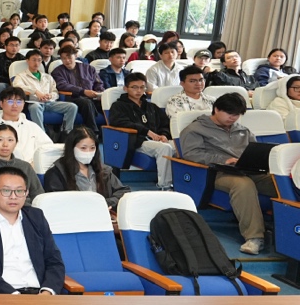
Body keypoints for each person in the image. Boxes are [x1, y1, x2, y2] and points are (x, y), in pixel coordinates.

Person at [179, 94, 275, 254]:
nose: (233, 118)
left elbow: (255, 150)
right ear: (216, 109)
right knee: (243, 184)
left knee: (278, 182)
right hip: (215, 172)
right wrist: (223, 160)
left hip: (246, 169)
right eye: (229, 113)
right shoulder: (195, 129)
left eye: (237, 114)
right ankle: (254, 237)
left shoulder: (243, 130)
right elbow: (192, 154)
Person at [0, 166, 66, 294]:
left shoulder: (36, 217)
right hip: (3, 294)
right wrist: (13, 295)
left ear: (26, 193)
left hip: (40, 294)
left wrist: (47, 291)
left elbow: (54, 261)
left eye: (19, 191)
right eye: (6, 191)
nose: (13, 197)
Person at [106, 72, 174, 189]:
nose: (139, 91)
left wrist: (164, 135)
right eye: (134, 87)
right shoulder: (118, 106)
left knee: (180, 146)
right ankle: (165, 186)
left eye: (142, 87)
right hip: (137, 141)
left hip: (156, 140)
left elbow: (165, 124)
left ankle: (183, 184)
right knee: (165, 148)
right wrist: (146, 131)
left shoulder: (151, 106)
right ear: (125, 88)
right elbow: (120, 123)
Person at [43, 127, 130, 210]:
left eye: (92, 148)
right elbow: (56, 202)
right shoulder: (56, 174)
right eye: (83, 148)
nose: (88, 152)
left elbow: (123, 191)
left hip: (102, 215)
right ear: (72, 148)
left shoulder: (103, 170)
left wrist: (105, 203)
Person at [0, 123, 42, 205]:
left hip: (28, 209)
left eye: (10, 140)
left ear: (16, 143)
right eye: (0, 140)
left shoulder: (25, 166)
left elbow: (38, 195)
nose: (5, 144)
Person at [11, 50, 78, 133]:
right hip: (34, 102)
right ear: (27, 61)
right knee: (35, 107)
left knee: (72, 107)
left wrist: (50, 96)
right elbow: (17, 87)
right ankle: (41, 133)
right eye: (34, 60)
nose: (36, 63)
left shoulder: (47, 77)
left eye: (39, 60)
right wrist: (35, 92)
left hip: (49, 102)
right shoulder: (21, 76)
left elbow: (55, 92)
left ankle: (66, 132)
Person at [0, 88, 53, 162]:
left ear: (23, 104)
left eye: (19, 102)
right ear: (1, 103)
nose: (15, 105)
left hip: (33, 166)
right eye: (10, 101)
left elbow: (47, 148)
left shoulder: (32, 127)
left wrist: (35, 164)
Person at [52, 45, 104, 130]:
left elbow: (98, 83)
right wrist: (83, 91)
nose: (67, 61)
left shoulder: (89, 68)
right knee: (86, 103)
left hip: (92, 97)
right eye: (64, 58)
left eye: (69, 57)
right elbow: (62, 85)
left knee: (107, 103)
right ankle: (93, 131)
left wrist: (99, 93)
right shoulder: (57, 72)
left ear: (76, 56)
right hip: (72, 98)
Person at [0, 34, 25, 103]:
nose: (14, 48)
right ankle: (0, 107)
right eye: (11, 45)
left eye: (17, 45)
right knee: (0, 86)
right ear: (5, 47)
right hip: (2, 82)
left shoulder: (22, 59)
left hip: (17, 82)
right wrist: (9, 81)